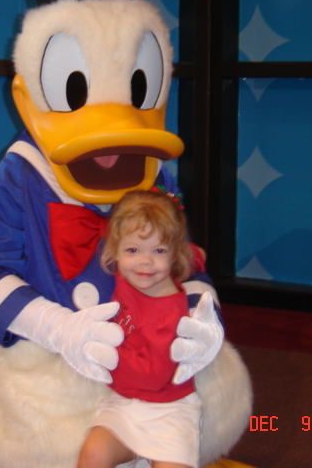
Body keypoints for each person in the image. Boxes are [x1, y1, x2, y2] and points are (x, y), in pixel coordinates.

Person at [77, 190, 224, 468]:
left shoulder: (171, 313)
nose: (145, 261)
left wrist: (104, 356)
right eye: (133, 250)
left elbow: (152, 378)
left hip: (169, 410)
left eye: (159, 251)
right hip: (123, 404)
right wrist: (199, 255)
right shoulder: (124, 274)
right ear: (115, 251)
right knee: (93, 455)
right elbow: (191, 254)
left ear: (174, 255)